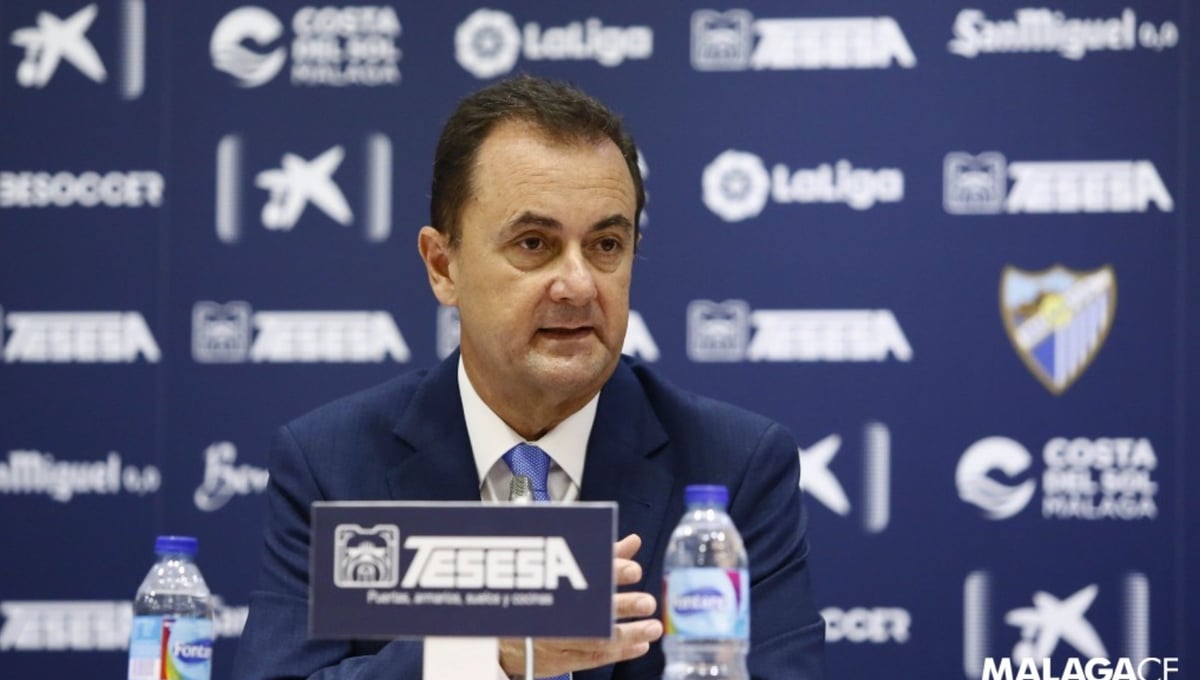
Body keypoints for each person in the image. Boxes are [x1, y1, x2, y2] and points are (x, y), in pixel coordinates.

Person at [232, 74, 826, 680]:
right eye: (535, 243)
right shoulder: (334, 464)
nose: (578, 285)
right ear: (442, 266)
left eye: (606, 245)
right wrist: (483, 653)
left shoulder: (733, 465)